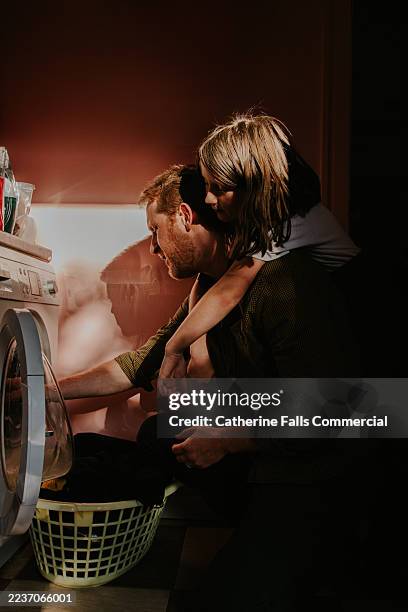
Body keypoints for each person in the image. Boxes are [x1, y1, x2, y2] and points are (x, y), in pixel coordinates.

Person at [58, 164, 364, 611]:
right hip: (265, 458)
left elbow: (343, 411)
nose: (153, 248)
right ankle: (256, 530)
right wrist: (43, 385)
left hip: (310, 473)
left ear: (184, 216)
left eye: (155, 231)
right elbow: (136, 365)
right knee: (156, 429)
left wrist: (230, 438)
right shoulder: (208, 289)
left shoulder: (285, 280)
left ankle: (310, 551)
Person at [159, 112, 361, 379]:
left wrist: (175, 348)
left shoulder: (286, 222)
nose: (208, 198)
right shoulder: (252, 222)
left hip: (357, 299)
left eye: (219, 189)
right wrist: (197, 347)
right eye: (208, 186)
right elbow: (210, 282)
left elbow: (228, 291)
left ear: (252, 186)